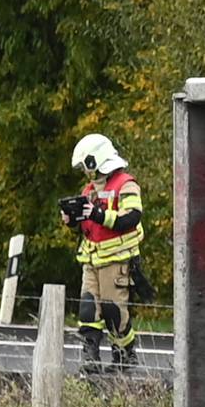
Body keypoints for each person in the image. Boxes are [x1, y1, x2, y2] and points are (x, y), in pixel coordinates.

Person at [60, 133, 148, 367]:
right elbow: (86, 225)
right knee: (88, 310)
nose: (85, 172)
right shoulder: (88, 190)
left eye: (85, 166)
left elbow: (131, 217)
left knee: (113, 312)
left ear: (95, 160)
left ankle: (124, 356)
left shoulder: (126, 184)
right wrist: (71, 219)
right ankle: (91, 358)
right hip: (91, 258)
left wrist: (98, 214)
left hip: (117, 261)